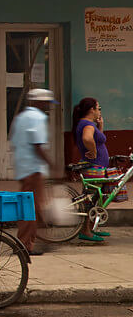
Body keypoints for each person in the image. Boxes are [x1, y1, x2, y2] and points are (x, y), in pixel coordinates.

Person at [10, 88, 61, 255]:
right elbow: (37, 145)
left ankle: (33, 241)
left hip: (23, 168)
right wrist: (52, 165)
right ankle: (25, 245)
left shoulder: (21, 117)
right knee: (31, 208)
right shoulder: (38, 118)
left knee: (34, 207)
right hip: (33, 169)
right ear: (38, 102)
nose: (47, 106)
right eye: (46, 103)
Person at [72, 97, 112, 243]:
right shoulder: (87, 124)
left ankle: (90, 228)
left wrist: (100, 126)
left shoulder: (88, 124)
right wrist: (94, 151)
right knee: (90, 200)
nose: (99, 111)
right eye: (98, 108)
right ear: (91, 110)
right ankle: (86, 231)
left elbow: (97, 138)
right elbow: (87, 139)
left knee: (94, 199)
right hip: (93, 167)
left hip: (96, 167)